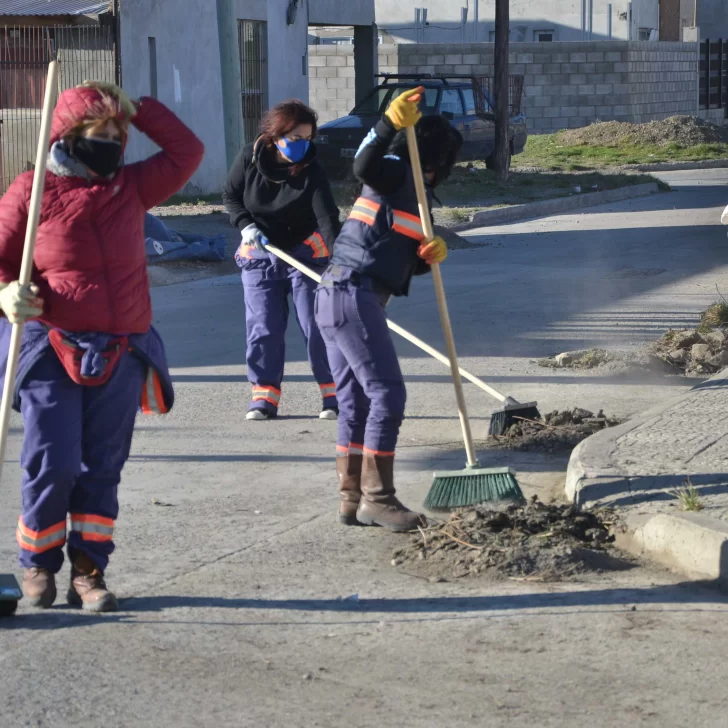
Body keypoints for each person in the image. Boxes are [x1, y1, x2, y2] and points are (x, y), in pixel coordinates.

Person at [0, 81, 204, 611]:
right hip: (51, 345)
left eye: (120, 133)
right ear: (68, 135)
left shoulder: (132, 187)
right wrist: (7, 290)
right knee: (54, 460)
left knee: (103, 464)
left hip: (122, 346)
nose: (114, 141)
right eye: (101, 132)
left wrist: (139, 111)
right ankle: (38, 566)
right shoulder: (32, 190)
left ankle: (88, 571)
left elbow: (188, 152)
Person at [314, 88, 463, 532]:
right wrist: (387, 124)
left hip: (339, 295)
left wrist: (427, 256)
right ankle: (379, 499)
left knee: (356, 402)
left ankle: (351, 498)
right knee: (388, 395)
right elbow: (362, 164)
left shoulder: (415, 195)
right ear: (441, 162)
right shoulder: (396, 171)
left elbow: (394, 256)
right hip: (351, 294)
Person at [222, 100, 341, 421]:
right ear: (276, 136)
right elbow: (231, 196)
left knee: (316, 325)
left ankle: (333, 394)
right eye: (296, 138)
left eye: (308, 139)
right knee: (264, 327)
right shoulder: (249, 157)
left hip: (304, 251)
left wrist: (342, 264)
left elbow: (327, 219)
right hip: (260, 252)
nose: (303, 145)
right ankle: (264, 396)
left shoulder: (312, 170)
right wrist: (245, 225)